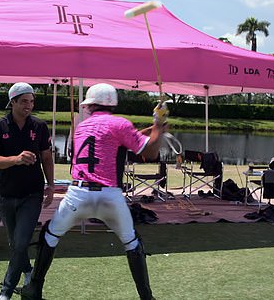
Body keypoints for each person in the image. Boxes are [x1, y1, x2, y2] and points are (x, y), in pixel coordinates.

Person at [21, 83, 167, 300]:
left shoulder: (82, 126)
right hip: (109, 196)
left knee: (50, 235)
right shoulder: (120, 124)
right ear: (113, 104)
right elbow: (151, 151)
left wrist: (146, 131)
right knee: (132, 243)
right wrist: (159, 123)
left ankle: (34, 289)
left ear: (91, 106)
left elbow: (113, 139)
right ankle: (147, 297)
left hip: (78, 195)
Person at [0, 82, 55, 300]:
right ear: (12, 102)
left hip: (32, 194)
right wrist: (16, 160)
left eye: (32, 101)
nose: (29, 105)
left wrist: (51, 186)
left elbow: (46, 157)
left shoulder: (39, 126)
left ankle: (6, 291)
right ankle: (27, 270)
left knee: (21, 242)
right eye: (24, 101)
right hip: (6, 194)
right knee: (15, 244)